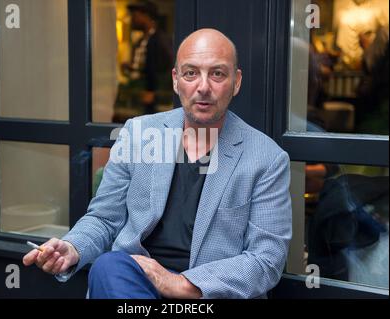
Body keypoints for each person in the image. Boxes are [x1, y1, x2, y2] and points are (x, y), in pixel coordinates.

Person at [23, 28, 292, 299]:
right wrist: (73, 248)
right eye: (191, 73)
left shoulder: (267, 159)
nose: (203, 87)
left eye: (217, 74)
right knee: (109, 266)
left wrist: (178, 284)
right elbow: (104, 219)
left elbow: (266, 261)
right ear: (176, 80)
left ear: (236, 81)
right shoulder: (138, 134)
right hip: (133, 286)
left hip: (207, 295)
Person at [121, 0, 173, 115]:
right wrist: (132, 67)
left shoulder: (160, 40)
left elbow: (167, 68)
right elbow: (145, 66)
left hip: (153, 100)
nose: (132, 20)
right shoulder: (141, 40)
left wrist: (154, 92)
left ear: (146, 16)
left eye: (135, 15)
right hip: (138, 96)